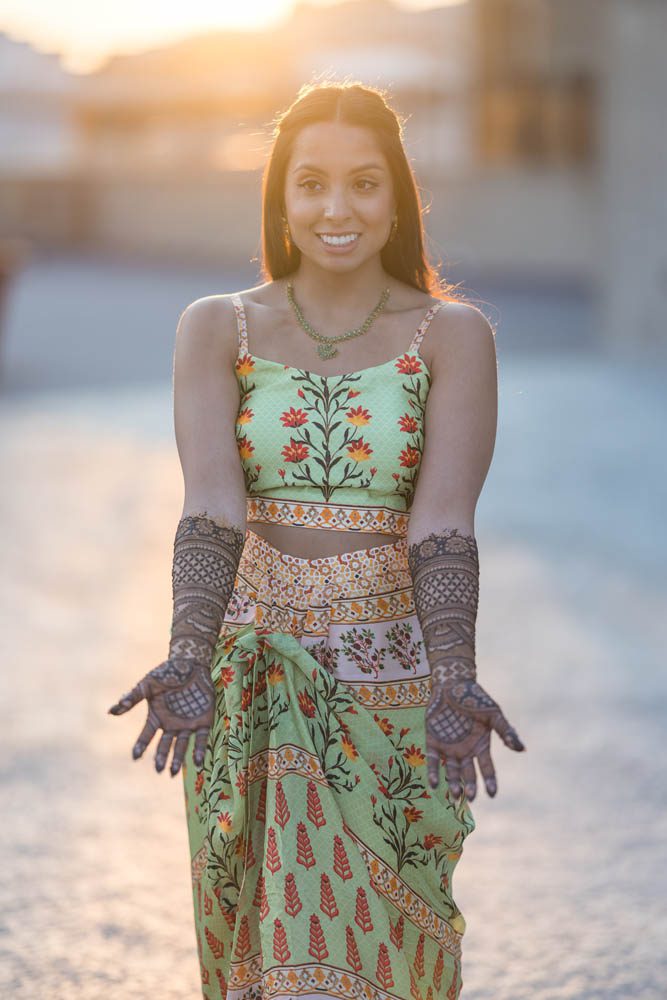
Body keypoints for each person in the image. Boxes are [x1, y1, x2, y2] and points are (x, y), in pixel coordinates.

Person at [108, 80, 526, 999]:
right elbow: (212, 503)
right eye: (311, 184)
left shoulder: (450, 336)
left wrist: (453, 674)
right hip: (255, 675)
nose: (337, 209)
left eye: (364, 184)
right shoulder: (218, 327)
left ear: (399, 199)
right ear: (281, 198)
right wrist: (187, 651)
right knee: (272, 960)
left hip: (392, 687)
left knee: (386, 955)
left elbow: (444, 520)